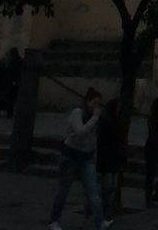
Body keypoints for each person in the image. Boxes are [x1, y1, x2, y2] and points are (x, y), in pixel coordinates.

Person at [48, 87, 113, 230]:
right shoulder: (77, 113)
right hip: (70, 157)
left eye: (99, 104)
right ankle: (54, 220)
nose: (96, 107)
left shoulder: (95, 118)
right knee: (63, 191)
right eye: (94, 103)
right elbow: (80, 132)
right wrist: (95, 118)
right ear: (87, 101)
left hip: (86, 158)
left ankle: (100, 221)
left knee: (93, 193)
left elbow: (92, 139)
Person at [96, 98, 124, 219]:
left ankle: (107, 210)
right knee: (107, 187)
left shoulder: (116, 122)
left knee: (111, 187)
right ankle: (103, 209)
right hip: (106, 160)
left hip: (113, 159)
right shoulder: (106, 122)